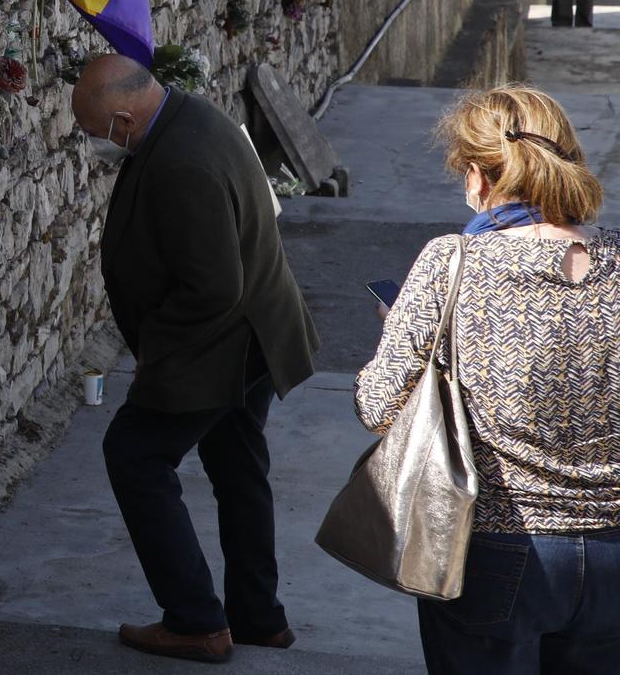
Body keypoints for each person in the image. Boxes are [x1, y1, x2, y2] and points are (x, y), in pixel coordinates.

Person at [357, 85, 620, 673]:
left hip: (500, 550)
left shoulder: (452, 263)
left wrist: (404, 333)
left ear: (477, 177)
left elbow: (377, 405)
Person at [71, 55, 321, 663]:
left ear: (126, 116)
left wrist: (156, 349)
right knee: (238, 469)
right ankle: (258, 617)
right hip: (258, 334)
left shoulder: (182, 161)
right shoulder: (190, 117)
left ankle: (195, 621)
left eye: (98, 131)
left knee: (134, 456)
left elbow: (212, 288)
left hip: (223, 345)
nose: (96, 145)